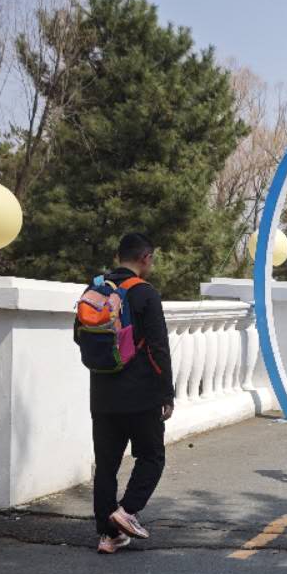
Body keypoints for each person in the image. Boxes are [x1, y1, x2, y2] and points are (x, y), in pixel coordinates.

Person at [87, 232, 174, 555]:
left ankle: (108, 535)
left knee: (106, 466)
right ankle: (127, 511)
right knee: (152, 456)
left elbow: (81, 338)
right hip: (141, 394)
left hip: (102, 394)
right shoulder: (145, 294)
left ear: (118, 256)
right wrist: (166, 393)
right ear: (145, 258)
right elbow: (158, 347)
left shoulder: (95, 290)